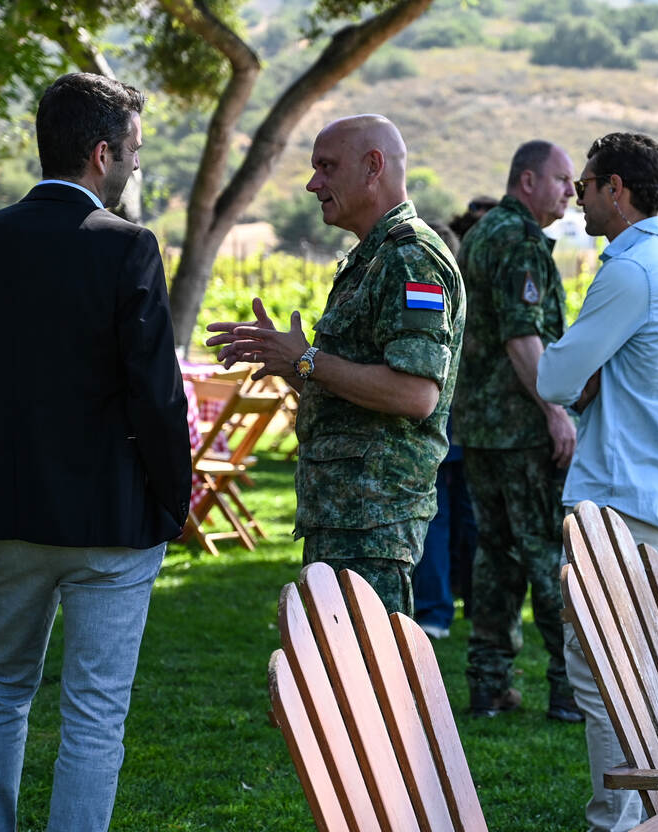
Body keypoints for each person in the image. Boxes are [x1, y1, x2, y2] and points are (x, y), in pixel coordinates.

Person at [0, 73, 191, 832]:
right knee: (93, 714)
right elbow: (156, 393)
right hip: (112, 518)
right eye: (135, 154)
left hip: (9, 509)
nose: (136, 169)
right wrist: (173, 500)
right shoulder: (128, 248)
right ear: (102, 153)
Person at [207, 115, 465, 616]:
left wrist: (306, 359)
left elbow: (415, 394)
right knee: (339, 681)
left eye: (326, 167)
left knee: (370, 683)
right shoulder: (372, 257)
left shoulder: (409, 259)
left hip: (373, 525)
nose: (313, 183)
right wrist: (291, 364)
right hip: (348, 519)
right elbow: (355, 395)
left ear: (373, 167)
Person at [537, 132, 658, 832]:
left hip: (622, 505)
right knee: (638, 671)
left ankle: (620, 822)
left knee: (603, 675)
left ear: (616, 189)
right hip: (647, 495)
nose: (577, 198)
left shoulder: (631, 270)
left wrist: (584, 376)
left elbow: (553, 376)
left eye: (586, 185)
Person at [452, 140, 581, 722]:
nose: (571, 192)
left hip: (480, 427)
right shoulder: (520, 240)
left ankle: (489, 682)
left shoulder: (482, 232)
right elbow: (522, 338)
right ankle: (569, 687)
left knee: (495, 555)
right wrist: (554, 409)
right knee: (547, 553)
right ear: (526, 180)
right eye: (562, 180)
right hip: (520, 428)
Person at [413, 220, 478, 640]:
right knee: (465, 514)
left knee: (437, 519)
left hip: (439, 423)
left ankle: (436, 610)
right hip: (468, 424)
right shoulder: (466, 295)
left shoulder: (428, 290)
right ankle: (473, 602)